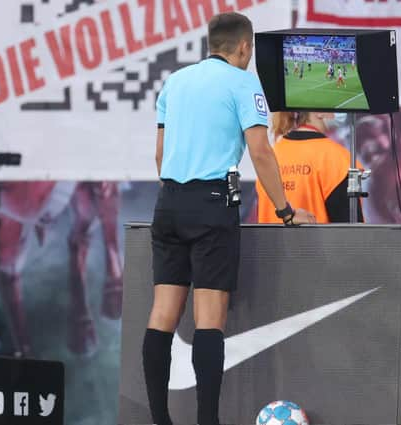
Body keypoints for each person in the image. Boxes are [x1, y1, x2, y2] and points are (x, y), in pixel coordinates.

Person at [145, 12, 316, 425]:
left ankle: (158, 419)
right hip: (211, 204)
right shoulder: (243, 82)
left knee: (162, 316)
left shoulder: (175, 82)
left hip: (168, 202)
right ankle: (208, 421)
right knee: (209, 319)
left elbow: (159, 154)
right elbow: (260, 151)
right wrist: (286, 212)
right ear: (244, 48)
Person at [256, 112, 363, 223]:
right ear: (319, 112)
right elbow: (351, 233)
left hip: (270, 240)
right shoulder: (338, 158)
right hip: (317, 240)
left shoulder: (271, 157)